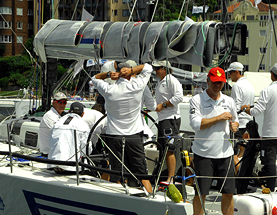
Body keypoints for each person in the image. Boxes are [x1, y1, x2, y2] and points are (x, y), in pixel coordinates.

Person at [189, 67, 248, 215]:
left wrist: (234, 126)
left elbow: (234, 119)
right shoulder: (196, 100)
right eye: (214, 82)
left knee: (229, 193)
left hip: (225, 153)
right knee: (201, 193)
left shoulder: (229, 100)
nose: (217, 86)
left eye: (220, 83)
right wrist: (219, 118)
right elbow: (195, 124)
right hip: (204, 153)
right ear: (208, 81)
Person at [91, 60, 153, 193]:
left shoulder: (109, 89)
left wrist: (108, 74)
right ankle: (151, 197)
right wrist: (132, 70)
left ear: (117, 73)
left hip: (114, 137)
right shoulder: (137, 85)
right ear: (130, 74)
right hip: (134, 137)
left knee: (118, 175)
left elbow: (94, 78)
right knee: (142, 175)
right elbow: (148, 67)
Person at [241, 63, 277, 192]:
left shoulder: (267, 91)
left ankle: (270, 190)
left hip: (270, 134)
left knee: (270, 163)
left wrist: (246, 109)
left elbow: (256, 111)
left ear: (272, 75)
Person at [153, 60, 184, 183]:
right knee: (163, 148)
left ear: (164, 69)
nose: (155, 71)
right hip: (163, 119)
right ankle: (164, 175)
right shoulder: (160, 82)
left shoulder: (171, 80)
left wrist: (163, 105)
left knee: (169, 148)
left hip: (170, 119)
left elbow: (179, 97)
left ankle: (171, 177)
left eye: (157, 68)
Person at [226, 61, 255, 171]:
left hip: (239, 124)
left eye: (231, 73)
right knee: (242, 153)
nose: (229, 76)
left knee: (231, 151)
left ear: (237, 72)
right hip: (248, 123)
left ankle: (236, 176)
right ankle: (241, 174)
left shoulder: (237, 86)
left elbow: (236, 106)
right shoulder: (249, 84)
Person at [48, 102, 90, 173]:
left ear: (69, 111)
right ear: (82, 114)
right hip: (72, 168)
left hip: (54, 165)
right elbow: (86, 149)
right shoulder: (83, 126)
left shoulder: (58, 123)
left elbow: (50, 143)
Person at [38, 92, 68, 157]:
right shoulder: (50, 116)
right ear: (54, 103)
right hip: (49, 154)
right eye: (59, 102)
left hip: (55, 153)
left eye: (64, 103)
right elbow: (59, 134)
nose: (62, 105)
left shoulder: (58, 116)